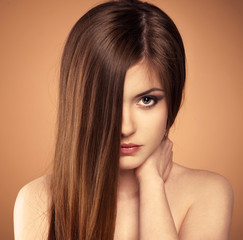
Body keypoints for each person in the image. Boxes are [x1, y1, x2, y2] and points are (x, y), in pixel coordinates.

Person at [13, 0, 234, 239]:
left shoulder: (207, 193)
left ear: (173, 99)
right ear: (79, 102)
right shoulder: (39, 200)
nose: (125, 127)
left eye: (147, 100)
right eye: (106, 101)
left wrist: (152, 184)